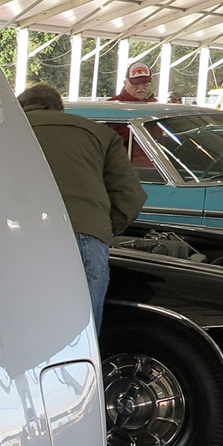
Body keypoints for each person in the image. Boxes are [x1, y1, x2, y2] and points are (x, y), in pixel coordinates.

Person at [18, 83, 147, 333]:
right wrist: (99, 229)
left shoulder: (5, 133)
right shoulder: (101, 134)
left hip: (21, 239)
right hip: (88, 238)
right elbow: (131, 196)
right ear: (60, 109)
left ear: (22, 108)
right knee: (81, 337)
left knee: (25, 335)